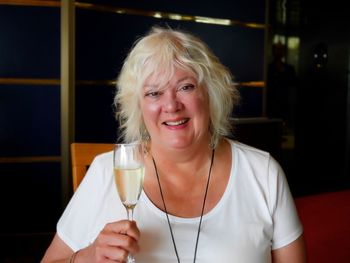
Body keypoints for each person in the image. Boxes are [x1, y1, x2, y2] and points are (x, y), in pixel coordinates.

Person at [42, 26, 306, 262]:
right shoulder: (105, 172)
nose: (171, 105)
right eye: (154, 93)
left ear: (210, 95)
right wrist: (87, 258)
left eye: (186, 87)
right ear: (139, 107)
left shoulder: (264, 174)